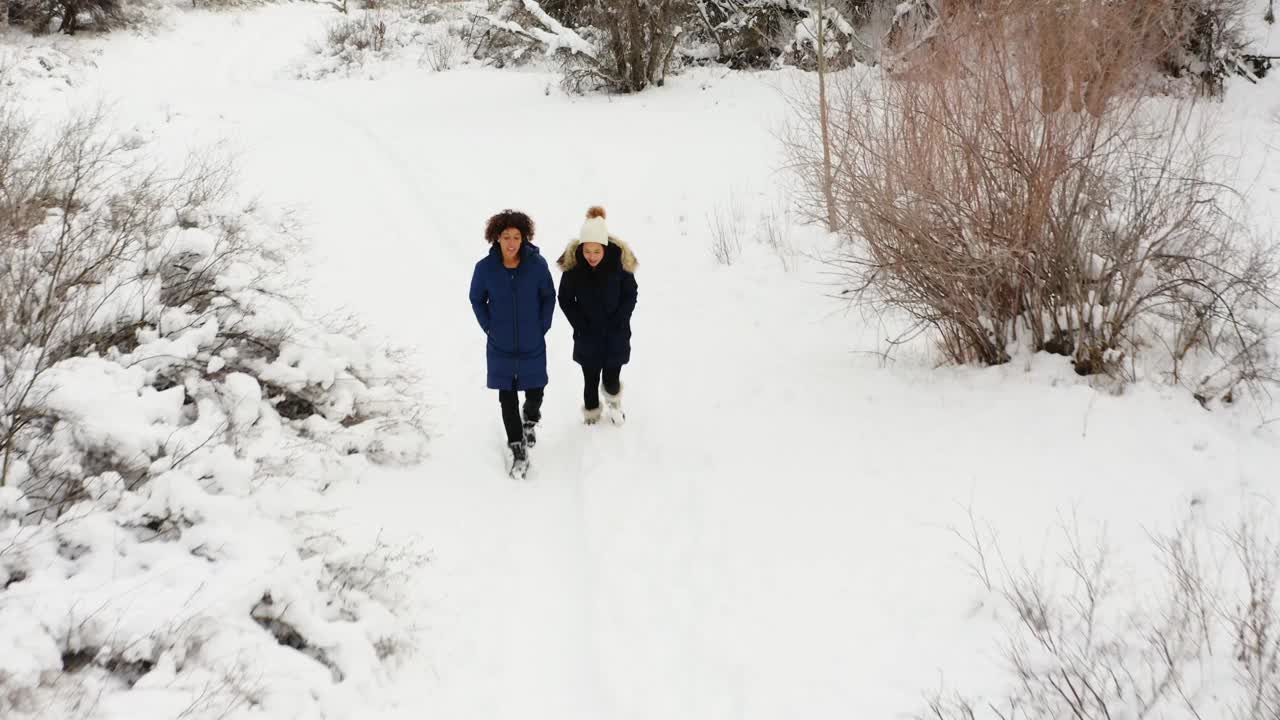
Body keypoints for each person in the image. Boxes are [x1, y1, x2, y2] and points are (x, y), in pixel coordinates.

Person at [469, 209, 556, 474]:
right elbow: (476, 299)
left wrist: (542, 326)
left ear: (524, 238)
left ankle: (530, 418)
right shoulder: (485, 269)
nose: (511, 243)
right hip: (500, 345)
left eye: (516, 237)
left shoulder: (536, 265)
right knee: (506, 396)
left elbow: (548, 296)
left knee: (536, 390)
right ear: (496, 238)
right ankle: (517, 446)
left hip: (532, 341)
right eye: (505, 237)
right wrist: (489, 326)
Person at [556, 206, 639, 425]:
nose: (591, 256)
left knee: (612, 377)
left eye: (596, 251)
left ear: (605, 247)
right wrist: (580, 324)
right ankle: (591, 414)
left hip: (616, 333)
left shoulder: (619, 265)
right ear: (581, 249)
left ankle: (613, 403)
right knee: (590, 379)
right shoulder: (574, 269)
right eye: (587, 251)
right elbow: (564, 299)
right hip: (587, 335)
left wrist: (621, 319)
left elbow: (631, 294)